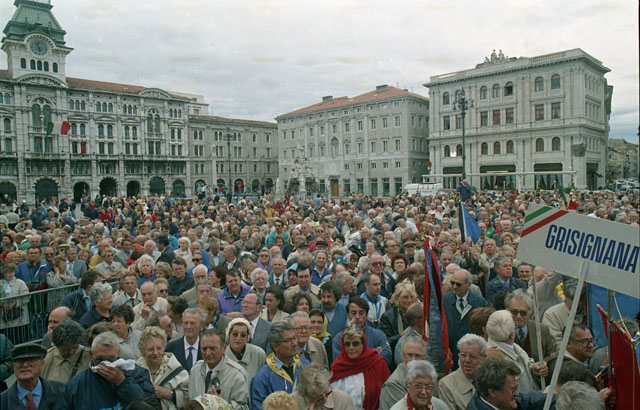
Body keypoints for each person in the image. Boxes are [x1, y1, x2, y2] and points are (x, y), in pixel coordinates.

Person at [59, 331, 154, 410]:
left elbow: (148, 406)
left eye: (111, 359)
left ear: (118, 353)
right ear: (91, 355)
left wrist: (123, 383)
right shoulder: (76, 385)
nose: (105, 364)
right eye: (99, 360)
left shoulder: (138, 374)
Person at [329, 323, 390, 410]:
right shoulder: (337, 366)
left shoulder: (377, 363)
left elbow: (387, 394)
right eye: (347, 344)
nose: (351, 348)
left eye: (355, 344)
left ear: (363, 344)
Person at [251, 322, 310, 410]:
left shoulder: (305, 365)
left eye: (294, 338)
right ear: (275, 346)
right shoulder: (263, 378)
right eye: (288, 340)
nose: (294, 344)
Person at [485, 310, 547, 394]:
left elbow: (526, 363)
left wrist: (533, 368)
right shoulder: (494, 358)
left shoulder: (512, 346)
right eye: (515, 326)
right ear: (511, 335)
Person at [188, 329, 250, 409]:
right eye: (204, 349)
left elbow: (245, 408)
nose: (208, 353)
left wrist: (222, 405)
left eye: (213, 348)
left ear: (224, 348)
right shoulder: (195, 370)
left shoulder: (238, 375)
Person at [135, 326, 189, 410]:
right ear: (142, 351)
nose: (155, 353)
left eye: (159, 348)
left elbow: (189, 397)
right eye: (151, 349)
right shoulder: (135, 369)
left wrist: (170, 394)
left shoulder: (176, 369)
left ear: (164, 348)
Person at [466, 356, 549, 410]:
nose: (517, 394)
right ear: (492, 392)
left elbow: (532, 401)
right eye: (513, 390)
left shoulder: (504, 401)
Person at [444, 269, 488, 368]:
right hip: (450, 353)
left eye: (458, 284)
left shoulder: (480, 302)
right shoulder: (444, 301)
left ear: (469, 285)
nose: (454, 287)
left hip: (471, 355)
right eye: (452, 283)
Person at [0, 344, 65, 410]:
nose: (25, 365)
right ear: (14, 366)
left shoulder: (62, 392)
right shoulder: (3, 401)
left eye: (31, 360)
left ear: (42, 364)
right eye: (20, 361)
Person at [333, 296, 392, 365]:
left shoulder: (378, 335)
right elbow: (340, 362)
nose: (357, 317)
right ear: (348, 315)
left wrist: (355, 357)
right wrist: (372, 352)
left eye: (361, 313)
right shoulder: (339, 338)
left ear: (366, 315)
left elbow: (387, 356)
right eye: (353, 313)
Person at [505, 289, 556, 363]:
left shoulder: (542, 330)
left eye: (523, 313)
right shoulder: (501, 329)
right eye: (514, 312)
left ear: (529, 312)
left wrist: (542, 364)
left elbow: (551, 354)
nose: (518, 316)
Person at [439, 334, 487, 410]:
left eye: (472, 357)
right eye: (463, 355)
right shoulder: (447, 384)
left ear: (483, 358)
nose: (467, 360)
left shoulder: (491, 379)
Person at [380, 334, 428, 410]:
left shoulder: (429, 377)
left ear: (424, 358)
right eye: (409, 355)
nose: (413, 360)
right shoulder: (393, 385)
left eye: (417, 356)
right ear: (403, 356)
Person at [380, 280, 418, 355]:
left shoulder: (419, 314)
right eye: (405, 297)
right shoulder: (388, 316)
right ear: (397, 298)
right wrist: (401, 335)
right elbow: (386, 342)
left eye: (412, 297)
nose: (409, 300)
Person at [165, 308, 206, 372]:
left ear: (201, 326)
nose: (188, 327)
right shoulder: (170, 348)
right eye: (186, 323)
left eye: (192, 323)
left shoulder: (207, 348)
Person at [0, 263, 30, 344]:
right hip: (5, 319)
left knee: (20, 341)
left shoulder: (20, 282)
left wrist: (15, 303)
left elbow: (26, 297)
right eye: (8, 273)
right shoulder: (1, 284)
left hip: (19, 319)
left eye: (12, 272)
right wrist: (2, 304)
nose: (11, 274)